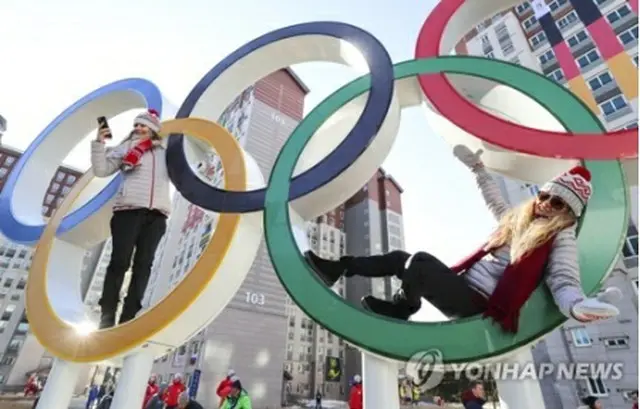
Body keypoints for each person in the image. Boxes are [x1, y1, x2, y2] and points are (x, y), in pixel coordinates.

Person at [304, 145, 622, 333]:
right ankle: (338, 268)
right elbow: (495, 201)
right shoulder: (520, 220)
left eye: (556, 202)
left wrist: (577, 305)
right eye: (543, 195)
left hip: (480, 303)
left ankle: (402, 308)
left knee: (421, 262)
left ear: (569, 212)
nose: (544, 204)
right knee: (402, 258)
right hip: (463, 287)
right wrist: (479, 169)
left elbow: (563, 277)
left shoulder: (559, 237)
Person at [91, 109, 171, 329]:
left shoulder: (166, 151)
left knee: (144, 266)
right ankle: (107, 314)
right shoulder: (125, 148)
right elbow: (101, 169)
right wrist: (99, 144)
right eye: (136, 125)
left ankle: (129, 316)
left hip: (157, 216)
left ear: (153, 129)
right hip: (128, 211)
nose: (138, 128)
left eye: (143, 125)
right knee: (119, 262)